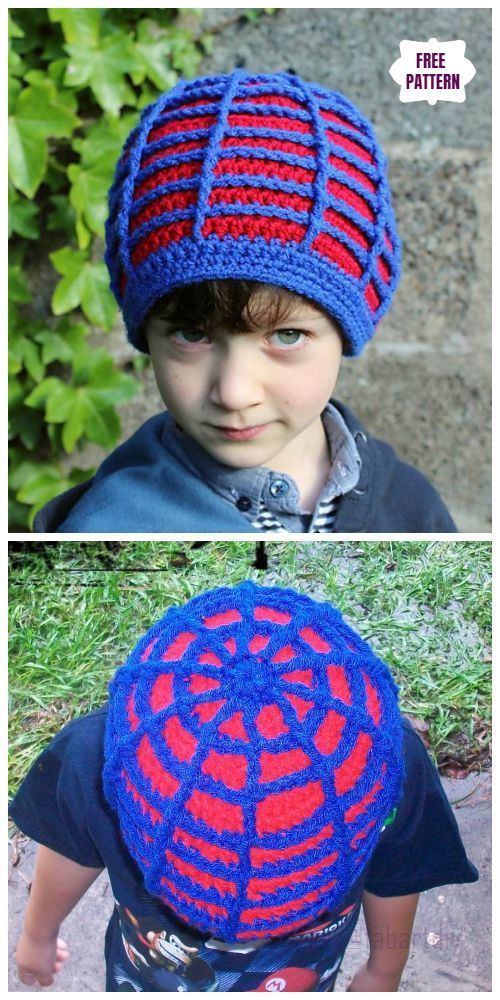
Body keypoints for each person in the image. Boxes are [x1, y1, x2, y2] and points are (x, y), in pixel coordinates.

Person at [34, 69, 456, 533]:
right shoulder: (109, 534)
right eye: (191, 334)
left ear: (350, 324)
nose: (234, 393)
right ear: (146, 330)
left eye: (287, 335)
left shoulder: (412, 508)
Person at [11, 582, 477, 991]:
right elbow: (69, 845)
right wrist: (37, 933)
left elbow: (399, 872)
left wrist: (385, 968)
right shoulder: (103, 761)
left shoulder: (372, 761)